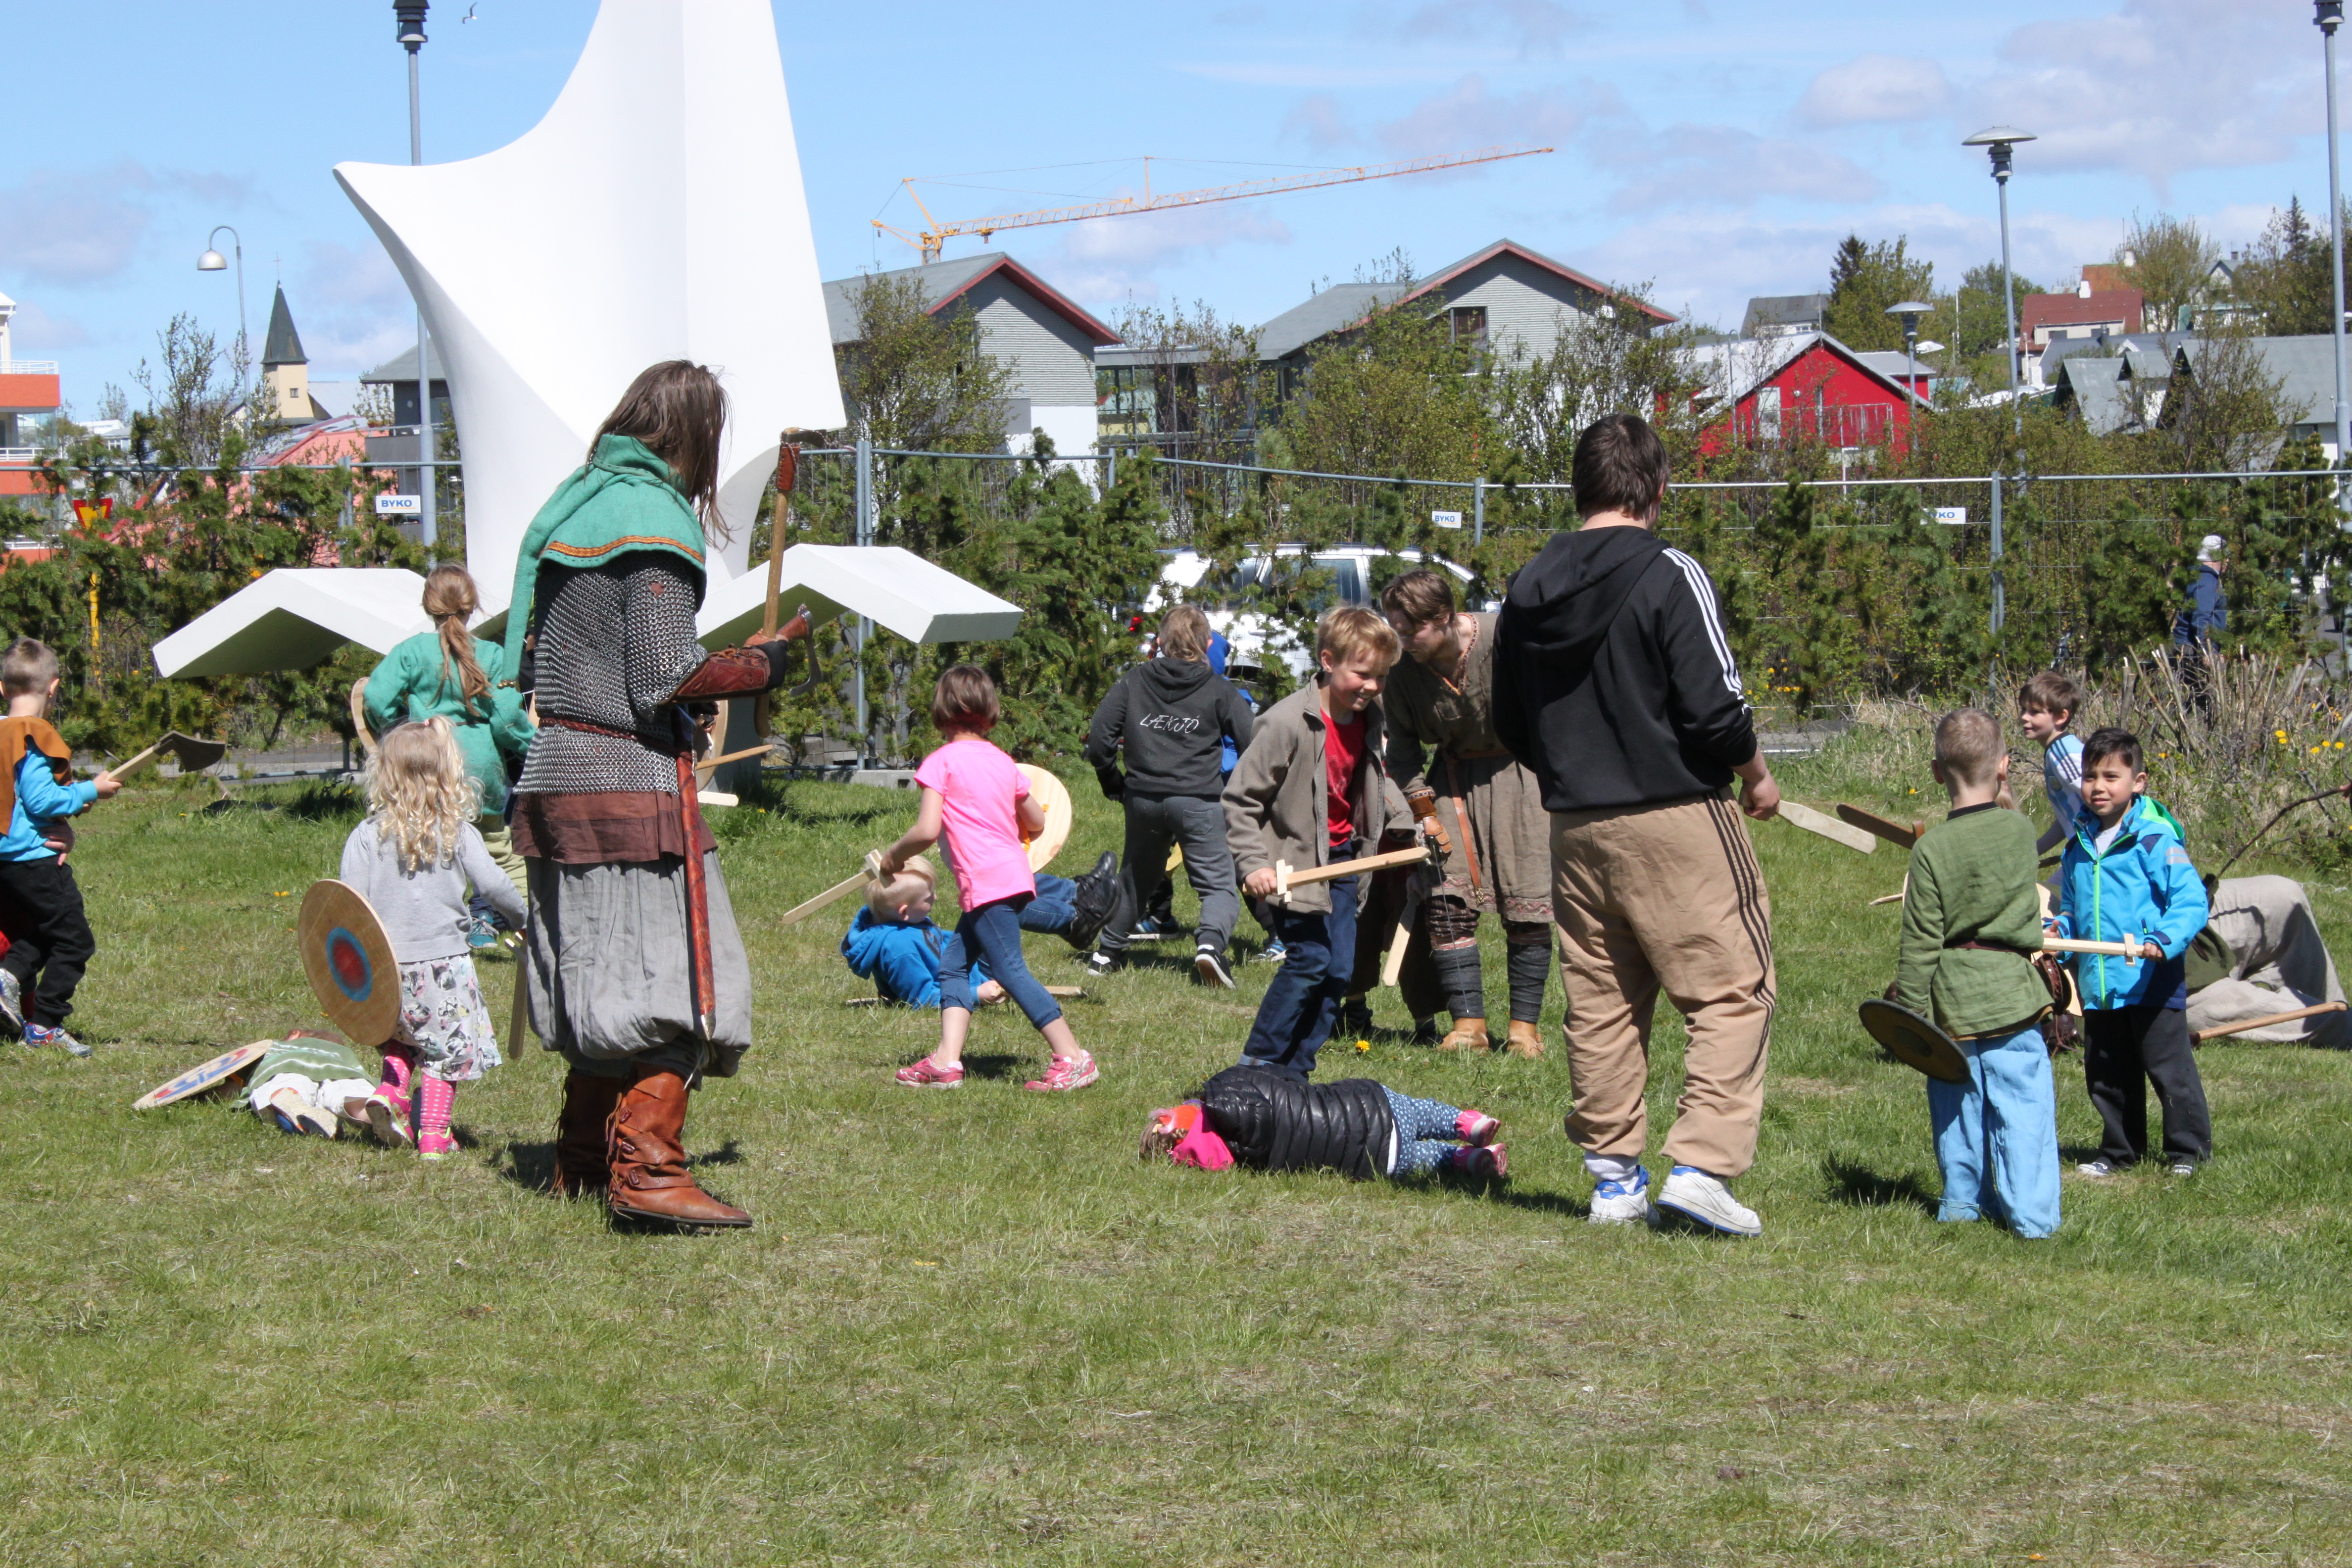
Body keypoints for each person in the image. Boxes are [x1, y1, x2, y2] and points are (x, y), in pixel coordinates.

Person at [505, 359, 812, 1229]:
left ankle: (580, 1157)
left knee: (603, 976)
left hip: (561, 773)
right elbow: (660, 677)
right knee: (674, 981)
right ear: (692, 435)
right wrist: (761, 665)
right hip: (626, 783)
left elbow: (572, 665)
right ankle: (646, 1170)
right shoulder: (650, 519)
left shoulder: (576, 507)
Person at [1493, 412, 1780, 1238]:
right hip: (1675, 811)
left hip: (1573, 825)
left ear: (1577, 488)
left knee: (1602, 1002)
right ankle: (1702, 1169)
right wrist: (1756, 775)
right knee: (1733, 989)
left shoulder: (1525, 588)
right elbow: (1716, 707)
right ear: (1658, 488)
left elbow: (1509, 719)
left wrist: (1570, 773)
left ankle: (1614, 1182)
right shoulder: (1670, 572)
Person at [883, 665, 1100, 1091]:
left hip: (985, 881)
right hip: (1013, 875)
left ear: (941, 710)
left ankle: (1074, 1057)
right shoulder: (1003, 762)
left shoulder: (940, 762)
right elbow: (1037, 821)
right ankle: (946, 1061)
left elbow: (926, 830)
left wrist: (894, 856)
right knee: (953, 966)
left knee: (1009, 969)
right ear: (990, 710)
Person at [1224, 605, 1413, 1079]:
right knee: (1310, 960)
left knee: (1339, 972)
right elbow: (1240, 799)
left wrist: (1410, 821)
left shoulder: (1369, 718)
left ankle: (1295, 1073)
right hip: (1293, 864)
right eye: (1363, 674)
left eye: (1381, 677)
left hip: (1343, 860)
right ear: (1328, 661)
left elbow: (1376, 779)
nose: (1372, 687)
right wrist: (1252, 863)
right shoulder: (1287, 723)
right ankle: (1257, 1065)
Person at [1893, 709, 2062, 1238]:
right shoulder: (2020, 831)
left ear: (1936, 772)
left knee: (1958, 1106)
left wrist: (1909, 1013)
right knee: (2024, 1108)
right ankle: (2032, 1217)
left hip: (1955, 1001)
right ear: (2004, 766)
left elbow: (1921, 940)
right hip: (2013, 993)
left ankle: (1963, 1206)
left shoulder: (1931, 849)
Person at [1380, 568, 1554, 1057]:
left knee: (1526, 902)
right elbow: (1403, 751)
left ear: (1444, 616)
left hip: (1524, 776)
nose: (1404, 641)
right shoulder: (1403, 672)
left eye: (1412, 630)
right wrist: (1423, 810)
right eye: (1397, 630)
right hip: (1451, 785)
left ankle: (1524, 1031)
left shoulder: (1505, 638)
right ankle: (1468, 1027)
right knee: (1445, 898)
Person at [340, 719, 529, 1158]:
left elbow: (349, 904)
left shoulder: (366, 836)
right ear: (447, 774)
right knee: (448, 1051)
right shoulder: (457, 832)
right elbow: (494, 885)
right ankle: (434, 1134)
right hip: (444, 967)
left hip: (386, 966)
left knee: (403, 1035)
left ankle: (390, 1093)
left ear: (384, 775)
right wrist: (524, 917)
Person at [2050, 727, 2212, 1177]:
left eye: (2111, 777)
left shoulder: (2155, 839)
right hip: (2099, 983)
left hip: (2150, 979)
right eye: (2090, 777)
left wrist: (2163, 940)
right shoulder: (2078, 847)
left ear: (2138, 782)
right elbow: (2072, 910)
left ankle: (2188, 1153)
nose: (2098, 787)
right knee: (2107, 1073)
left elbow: (2191, 901)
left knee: (2169, 1070)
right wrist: (2059, 935)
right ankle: (2119, 1153)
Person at [1083, 604, 1256, 987]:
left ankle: (1107, 952)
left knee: (1136, 878)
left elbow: (1099, 741)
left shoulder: (1134, 680)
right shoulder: (1219, 689)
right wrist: (1242, 791)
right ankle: (1210, 945)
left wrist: (1113, 782)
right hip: (1199, 800)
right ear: (1207, 644)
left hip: (1143, 799)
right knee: (1217, 882)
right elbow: (1253, 744)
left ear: (1160, 642)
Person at [362, 564, 537, 933]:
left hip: (427, 766)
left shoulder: (410, 652)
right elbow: (506, 720)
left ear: (429, 606)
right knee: (499, 851)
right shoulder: (491, 655)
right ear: (472, 606)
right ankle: (533, 929)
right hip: (481, 770)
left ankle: (427, 927)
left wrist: (400, 733)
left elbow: (376, 698)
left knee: (423, 847)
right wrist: (533, 747)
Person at [0, 637, 122, 1056]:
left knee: (42, 930)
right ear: (54, 687)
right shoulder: (34, 734)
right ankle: (46, 1024)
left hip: (6, 860)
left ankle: (9, 977)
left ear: (3, 688)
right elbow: (40, 800)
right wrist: (92, 789)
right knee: (74, 941)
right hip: (35, 860)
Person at [843, 852, 1119, 1008]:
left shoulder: (896, 919)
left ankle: (1077, 891)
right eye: (929, 898)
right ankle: (1074, 921)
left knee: (998, 886)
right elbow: (923, 998)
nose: (935, 899)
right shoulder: (899, 950)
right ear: (904, 912)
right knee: (997, 907)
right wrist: (977, 994)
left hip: (967, 965)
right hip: (977, 979)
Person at [1142, 1065, 1506, 1180]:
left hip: (1377, 1161)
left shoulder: (1233, 1160)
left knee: (1426, 1159)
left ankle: (1466, 1160)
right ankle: (1466, 1123)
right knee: (1419, 1112)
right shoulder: (1227, 1085)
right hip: (1372, 1107)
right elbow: (1284, 1075)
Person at [2016, 670, 2086, 858]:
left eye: (2034, 712)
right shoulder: (2054, 752)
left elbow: (2101, 798)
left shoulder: (2065, 754)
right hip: (2082, 850)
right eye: (2023, 710)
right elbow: (2067, 819)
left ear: (2061, 717)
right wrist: (2032, 854)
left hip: (2095, 853)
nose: (2024, 717)